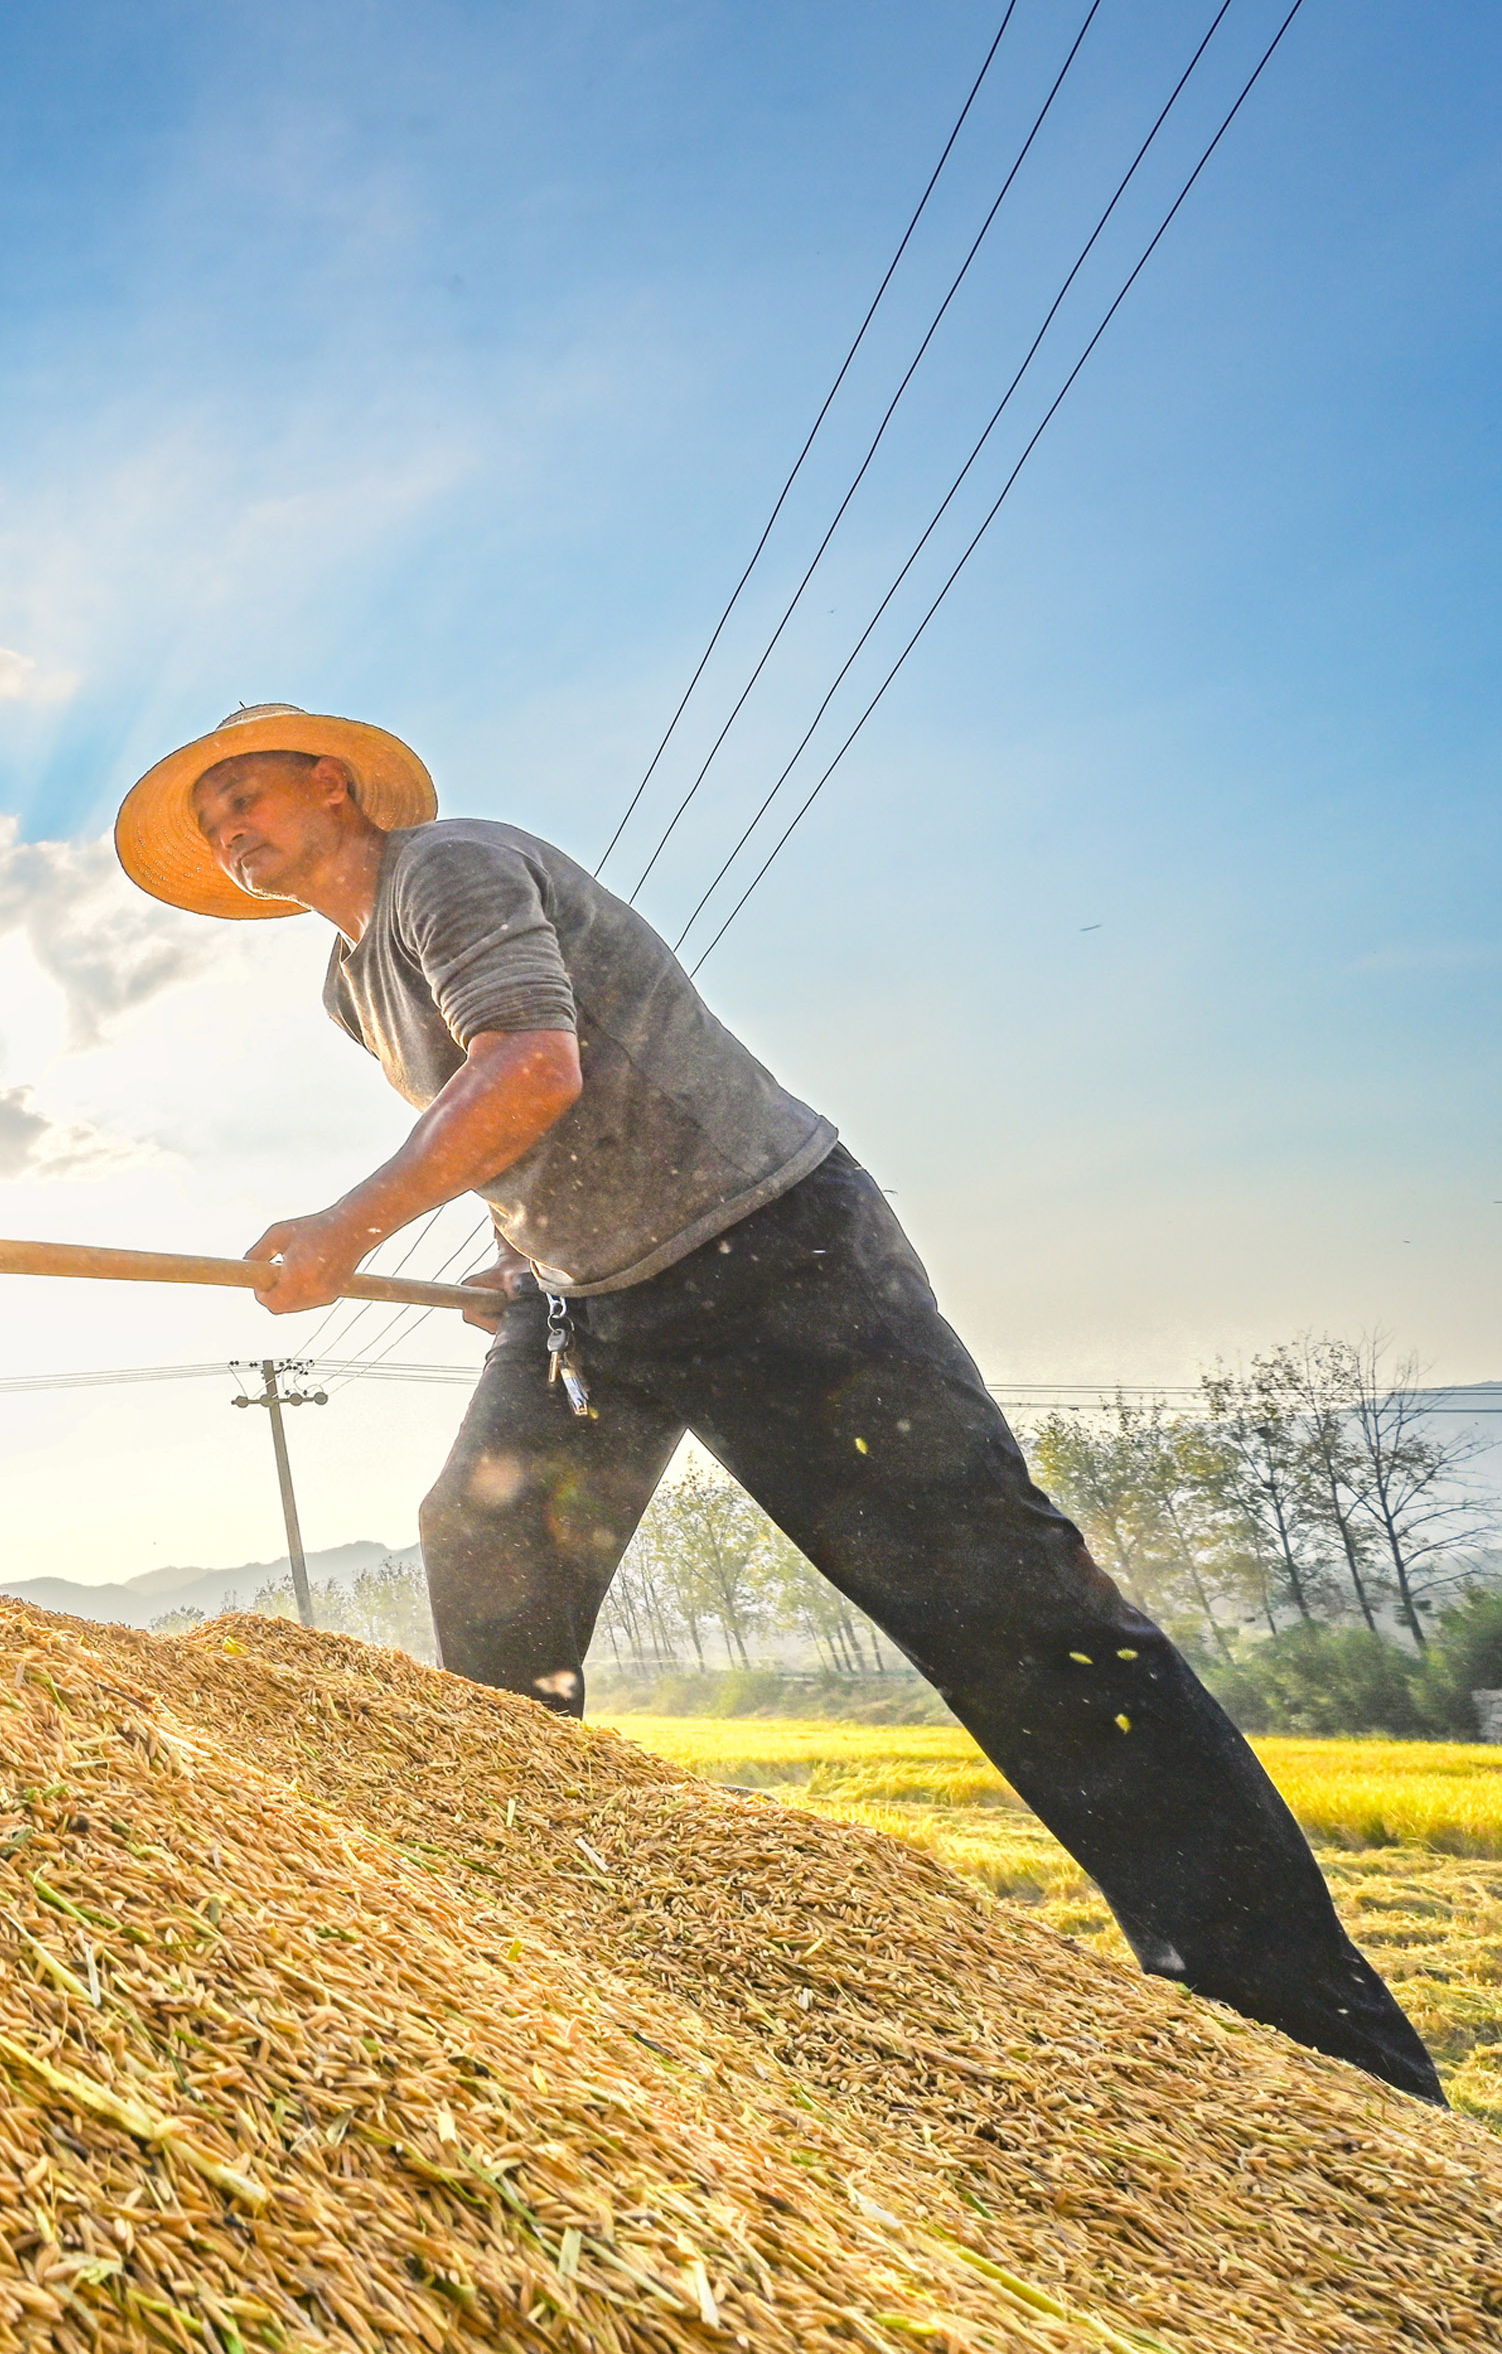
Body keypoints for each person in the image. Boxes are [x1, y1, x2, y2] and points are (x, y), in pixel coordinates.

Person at [112, 700, 1440, 2101]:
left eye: (245, 797)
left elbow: (533, 1064)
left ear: (331, 784)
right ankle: (518, 1926)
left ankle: (1311, 2037)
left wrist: (347, 1226)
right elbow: (504, 1131)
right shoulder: (344, 980)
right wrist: (515, 1253)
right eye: (212, 826)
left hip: (773, 1257)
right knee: (485, 1543)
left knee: (1008, 1613)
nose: (231, 833)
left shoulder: (450, 866)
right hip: (593, 1306)